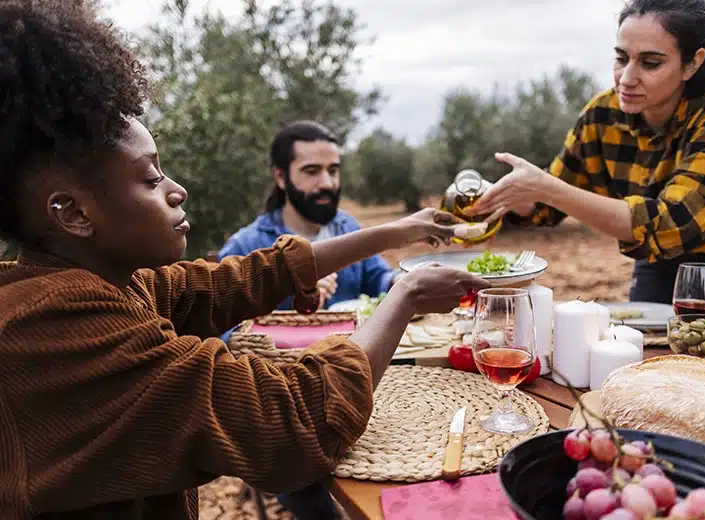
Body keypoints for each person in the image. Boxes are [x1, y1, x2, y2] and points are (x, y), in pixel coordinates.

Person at [0, 3, 490, 519]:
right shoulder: (55, 327)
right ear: (73, 212)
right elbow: (290, 422)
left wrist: (395, 231)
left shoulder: (95, 283)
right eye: (149, 178)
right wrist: (405, 296)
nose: (176, 189)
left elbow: (233, 282)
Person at [467, 0, 705, 330]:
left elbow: (673, 223)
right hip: (659, 263)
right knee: (650, 362)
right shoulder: (604, 114)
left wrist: (548, 188)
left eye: (650, 63)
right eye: (621, 58)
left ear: (692, 63)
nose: (626, 78)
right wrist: (517, 197)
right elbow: (550, 201)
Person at [219, 121, 397, 311]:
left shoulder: (346, 226)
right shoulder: (246, 246)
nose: (327, 183)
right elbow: (222, 323)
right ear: (280, 177)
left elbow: (378, 277)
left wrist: (399, 281)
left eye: (333, 171)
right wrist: (293, 297)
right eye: (312, 172)